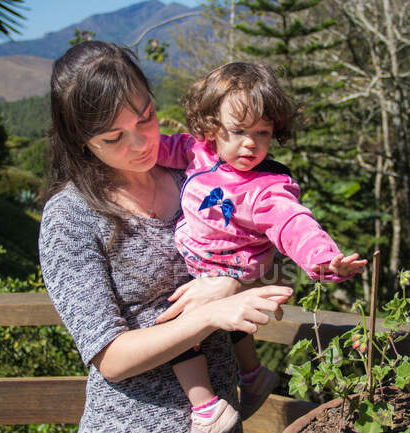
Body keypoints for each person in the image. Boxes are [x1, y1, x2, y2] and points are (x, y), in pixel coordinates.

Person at [38, 41, 292, 433]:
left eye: (146, 118)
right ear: (80, 140)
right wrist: (208, 315)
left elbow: (272, 265)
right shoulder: (69, 217)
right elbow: (111, 357)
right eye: (113, 138)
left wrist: (228, 284)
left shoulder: (192, 175)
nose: (140, 144)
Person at [155, 62, 367, 433]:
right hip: (203, 265)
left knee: (173, 321)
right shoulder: (199, 152)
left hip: (231, 269)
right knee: (214, 325)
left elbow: (294, 224)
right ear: (211, 128)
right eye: (237, 131)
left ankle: (206, 407)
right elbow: (163, 148)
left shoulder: (265, 188)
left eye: (262, 132)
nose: (250, 143)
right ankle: (252, 375)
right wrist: (129, 145)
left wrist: (324, 259)